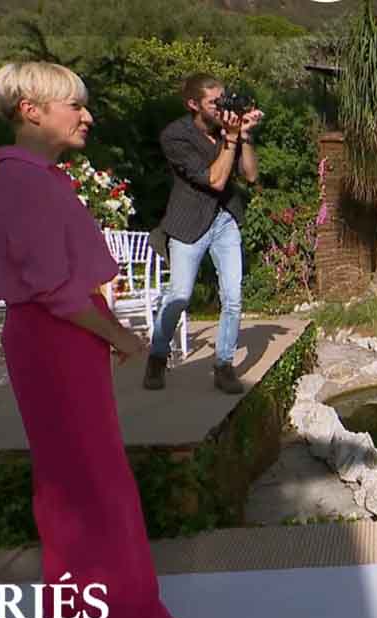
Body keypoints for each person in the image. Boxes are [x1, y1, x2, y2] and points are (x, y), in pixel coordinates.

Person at [0, 61, 192, 618]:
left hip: (63, 343)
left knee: (89, 484)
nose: (86, 115)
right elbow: (54, 292)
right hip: (56, 345)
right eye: (74, 104)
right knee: (86, 488)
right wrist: (125, 339)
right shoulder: (22, 183)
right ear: (32, 110)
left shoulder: (39, 178)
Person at [144, 73, 262, 394]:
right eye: (214, 102)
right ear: (193, 104)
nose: (221, 107)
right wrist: (232, 138)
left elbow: (249, 176)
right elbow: (215, 181)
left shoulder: (230, 129)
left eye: (223, 99)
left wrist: (245, 136)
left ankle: (223, 365)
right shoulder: (176, 136)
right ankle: (157, 356)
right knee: (179, 295)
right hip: (189, 221)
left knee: (233, 298)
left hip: (225, 220)